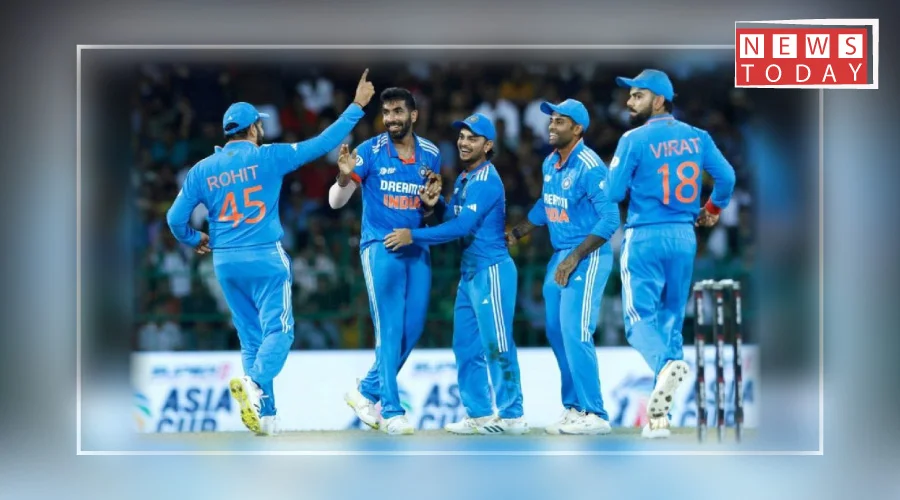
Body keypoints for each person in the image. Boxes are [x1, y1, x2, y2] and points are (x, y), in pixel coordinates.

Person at [165, 69, 375, 436]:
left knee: (251, 338)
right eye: (259, 125)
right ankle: (255, 383)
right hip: (265, 257)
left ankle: (267, 415)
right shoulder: (270, 157)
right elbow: (323, 142)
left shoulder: (202, 170)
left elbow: (173, 219)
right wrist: (357, 106)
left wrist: (192, 238)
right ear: (253, 129)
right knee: (280, 332)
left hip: (225, 261)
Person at [606, 69, 736, 439]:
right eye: (630, 95)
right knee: (671, 321)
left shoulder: (632, 139)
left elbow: (614, 192)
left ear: (660, 99)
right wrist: (712, 208)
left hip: (645, 235)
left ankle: (665, 366)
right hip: (683, 236)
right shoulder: (698, 137)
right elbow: (726, 178)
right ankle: (660, 419)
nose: (630, 101)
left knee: (638, 322)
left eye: (638, 95)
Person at [383, 113, 528, 435]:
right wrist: (435, 205)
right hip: (471, 274)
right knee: (465, 348)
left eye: (472, 138)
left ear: (487, 146)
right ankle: (479, 414)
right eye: (462, 137)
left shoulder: (487, 180)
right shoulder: (465, 178)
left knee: (497, 344)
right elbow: (453, 219)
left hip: (492, 271)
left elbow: (462, 227)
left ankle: (512, 415)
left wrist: (413, 235)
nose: (464, 142)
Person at [328, 87, 442, 435]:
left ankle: (365, 391)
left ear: (413, 115)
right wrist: (344, 177)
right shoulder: (369, 151)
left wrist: (430, 205)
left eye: (398, 112)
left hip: (416, 247)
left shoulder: (431, 154)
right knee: (389, 329)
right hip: (380, 246)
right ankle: (391, 411)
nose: (391, 119)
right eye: (387, 113)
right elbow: (335, 202)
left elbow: (429, 206)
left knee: (413, 329)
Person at [506, 99, 620, 435]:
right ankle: (574, 407)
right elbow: (547, 204)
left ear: (578, 128)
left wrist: (575, 257)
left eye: (560, 121)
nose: (552, 126)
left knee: (575, 331)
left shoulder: (590, 166)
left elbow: (610, 219)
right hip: (561, 254)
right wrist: (518, 232)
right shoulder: (550, 162)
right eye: (551, 120)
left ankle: (596, 414)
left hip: (588, 254)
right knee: (556, 332)